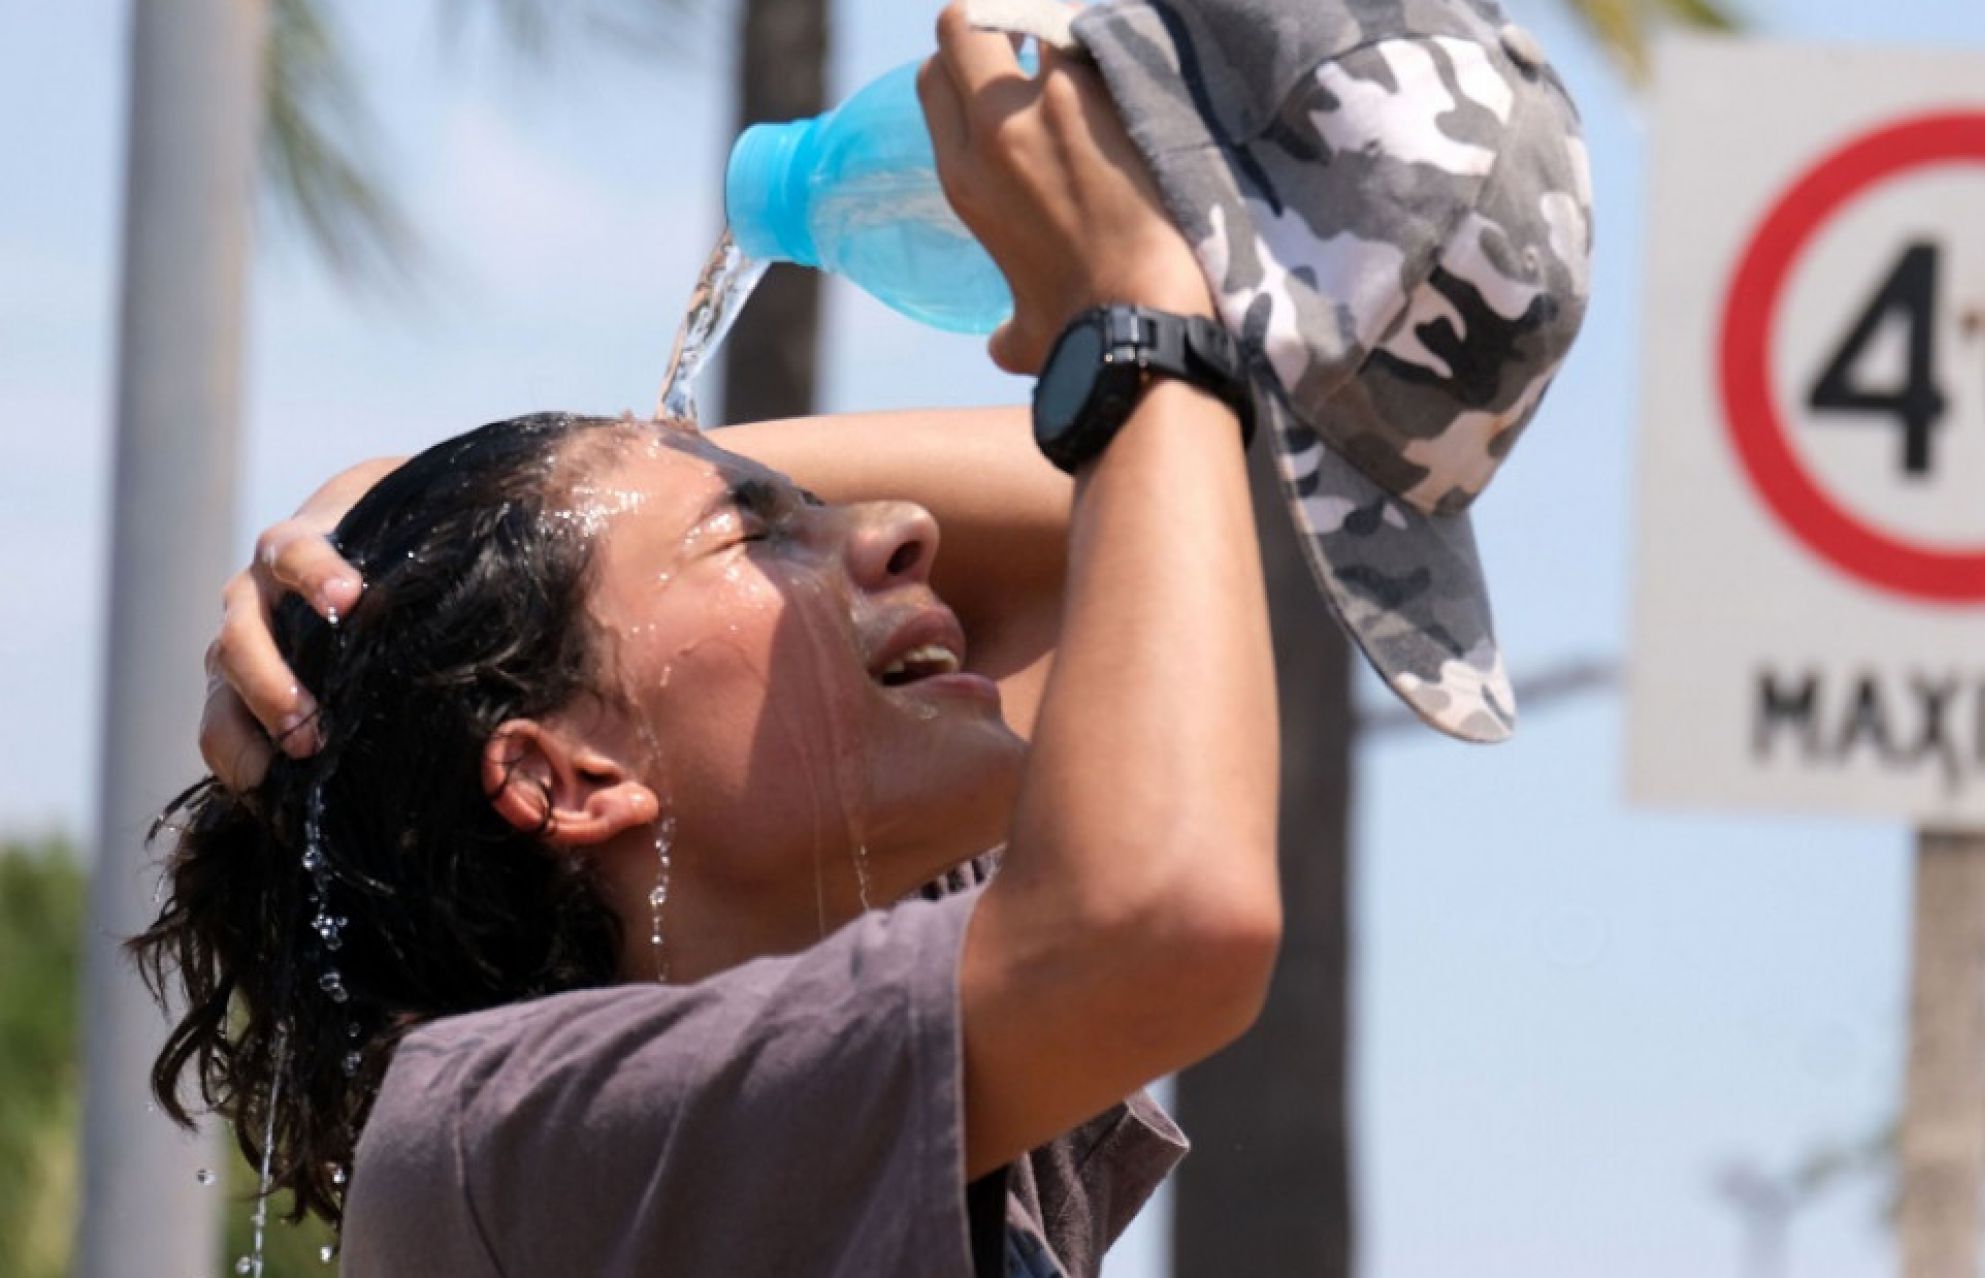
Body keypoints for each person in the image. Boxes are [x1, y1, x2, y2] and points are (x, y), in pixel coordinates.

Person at [145, 8, 1277, 1274]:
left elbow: (1149, 513)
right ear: (562, 774)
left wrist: (425, 497)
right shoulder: (499, 1133)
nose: (907, 528)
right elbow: (1166, 908)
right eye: (755, 537)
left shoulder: (894, 1012)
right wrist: (1135, 316)